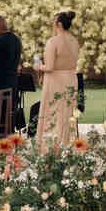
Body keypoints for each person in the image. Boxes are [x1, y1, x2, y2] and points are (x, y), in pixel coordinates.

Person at [35, 10, 79, 151]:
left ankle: (51, 149)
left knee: (52, 114)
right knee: (67, 115)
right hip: (71, 79)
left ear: (59, 24)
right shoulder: (74, 41)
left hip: (55, 81)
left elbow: (49, 67)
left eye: (53, 22)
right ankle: (67, 146)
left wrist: (38, 66)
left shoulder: (53, 41)